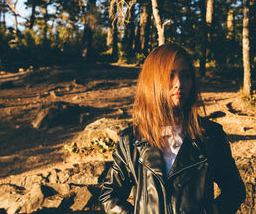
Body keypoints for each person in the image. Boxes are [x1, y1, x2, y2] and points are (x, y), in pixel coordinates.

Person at [100, 43, 245, 214]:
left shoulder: (209, 136)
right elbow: (110, 195)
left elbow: (234, 189)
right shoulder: (131, 141)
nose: (179, 83)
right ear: (153, 80)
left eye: (185, 75)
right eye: (170, 75)